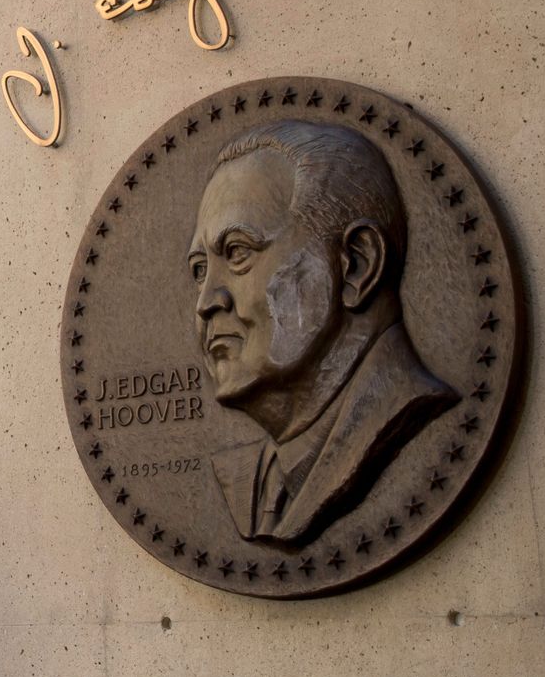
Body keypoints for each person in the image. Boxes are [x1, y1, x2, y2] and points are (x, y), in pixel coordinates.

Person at [191, 121, 458, 544]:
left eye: (238, 252)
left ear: (357, 264)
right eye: (200, 270)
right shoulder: (248, 482)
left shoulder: (405, 417)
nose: (206, 301)